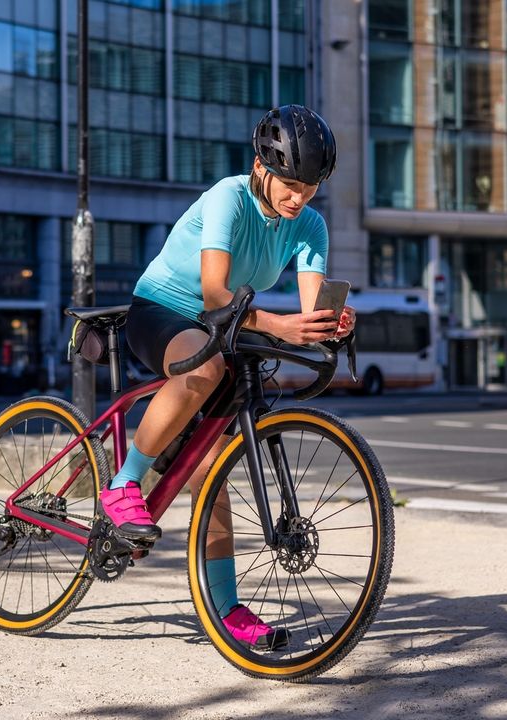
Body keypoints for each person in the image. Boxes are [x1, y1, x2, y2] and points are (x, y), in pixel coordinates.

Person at [102, 105, 356, 649]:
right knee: (205, 365)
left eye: (310, 187)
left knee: (211, 468)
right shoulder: (228, 197)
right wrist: (280, 325)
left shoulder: (308, 225)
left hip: (226, 325)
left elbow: (309, 310)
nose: (299, 197)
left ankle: (226, 609)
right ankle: (123, 483)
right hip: (165, 309)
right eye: (290, 183)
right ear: (261, 167)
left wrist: (328, 325)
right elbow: (216, 294)